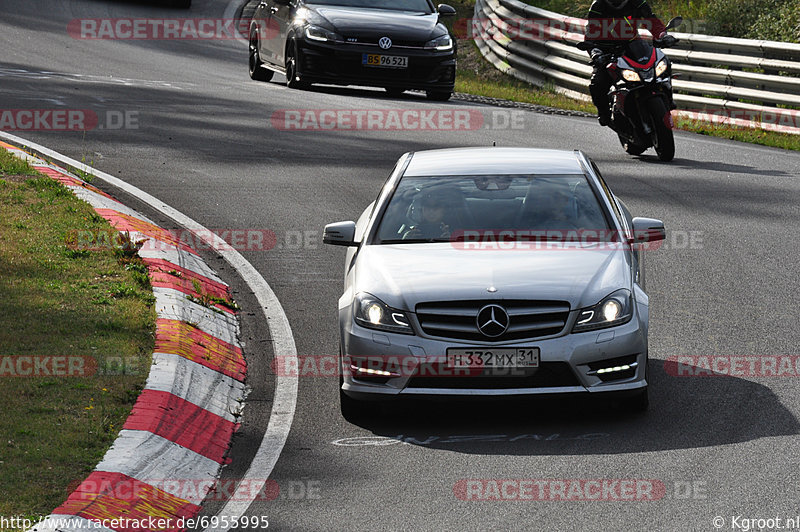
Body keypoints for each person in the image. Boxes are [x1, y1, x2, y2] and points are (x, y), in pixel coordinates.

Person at [584, 0, 675, 126]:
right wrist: (595, 53)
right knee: (598, 82)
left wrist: (663, 36)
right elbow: (590, 33)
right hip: (606, 51)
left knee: (663, 63)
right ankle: (604, 113)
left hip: (632, 46)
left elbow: (651, 20)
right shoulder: (598, 6)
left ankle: (668, 99)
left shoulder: (637, 2)